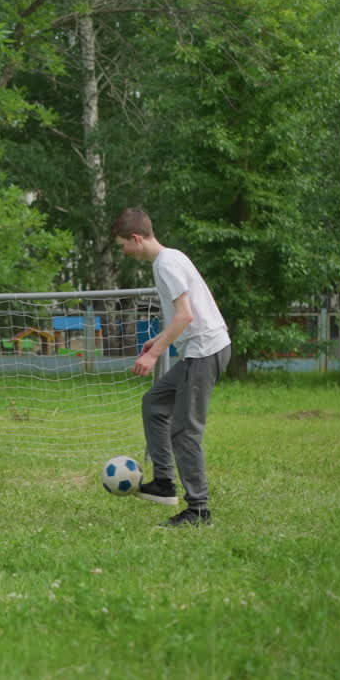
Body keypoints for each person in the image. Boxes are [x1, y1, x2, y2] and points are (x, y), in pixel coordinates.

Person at [112, 206, 231, 527]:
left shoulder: (166, 264)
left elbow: (186, 315)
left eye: (123, 244)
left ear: (136, 238)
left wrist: (154, 354)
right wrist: (160, 340)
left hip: (205, 352)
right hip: (201, 351)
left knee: (185, 431)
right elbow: (183, 317)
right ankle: (164, 483)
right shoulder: (169, 259)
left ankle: (198, 510)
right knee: (154, 403)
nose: (122, 251)